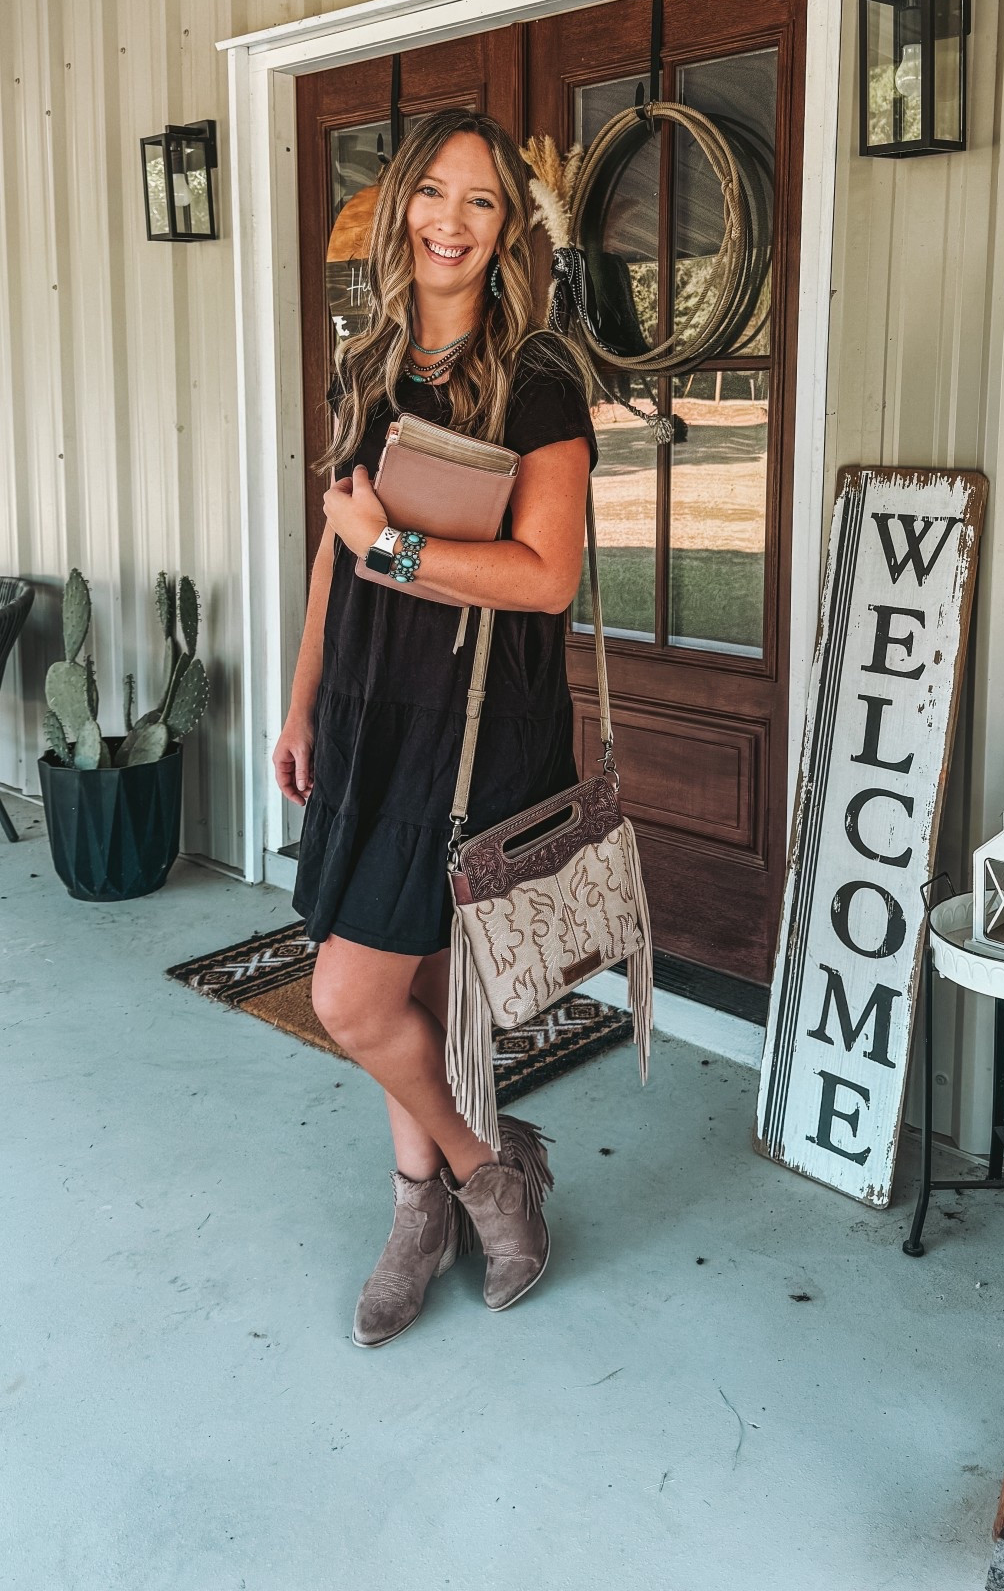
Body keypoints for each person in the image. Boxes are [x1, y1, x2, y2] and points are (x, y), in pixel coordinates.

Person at [274, 107, 596, 1347]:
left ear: (508, 230)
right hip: (366, 709)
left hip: (473, 726)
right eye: (436, 194)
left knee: (359, 995)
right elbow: (331, 552)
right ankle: (459, 1185)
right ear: (401, 203)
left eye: (481, 203)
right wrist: (302, 701)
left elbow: (546, 574)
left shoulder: (540, 375)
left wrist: (393, 546)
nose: (451, 222)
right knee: (391, 993)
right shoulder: (370, 362)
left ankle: (459, 1187)